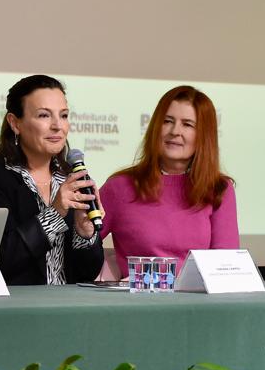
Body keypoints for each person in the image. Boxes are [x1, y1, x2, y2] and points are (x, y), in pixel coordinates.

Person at [0, 74, 104, 285]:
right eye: (44, 116)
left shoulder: (72, 179)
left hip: (69, 309)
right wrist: (54, 214)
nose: (58, 126)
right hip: (17, 311)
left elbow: (86, 274)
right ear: (15, 123)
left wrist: (85, 235)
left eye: (64, 115)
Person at [98, 86, 238, 278]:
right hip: (137, 304)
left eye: (188, 124)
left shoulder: (220, 188)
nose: (175, 131)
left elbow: (226, 266)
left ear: (204, 136)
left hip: (199, 305)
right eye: (167, 121)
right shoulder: (119, 187)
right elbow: (80, 247)